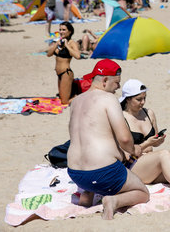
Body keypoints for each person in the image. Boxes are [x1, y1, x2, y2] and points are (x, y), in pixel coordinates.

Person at [67, 60, 149, 220]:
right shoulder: (108, 99)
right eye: (117, 82)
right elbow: (125, 138)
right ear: (105, 80)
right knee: (142, 193)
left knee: (94, 166)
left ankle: (87, 194)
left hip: (75, 173)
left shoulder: (76, 101)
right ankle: (113, 200)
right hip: (103, 173)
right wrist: (134, 150)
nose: (118, 87)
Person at [47, 22, 81, 104]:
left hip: (66, 73)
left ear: (69, 31)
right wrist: (56, 44)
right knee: (61, 98)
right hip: (59, 74)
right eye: (60, 30)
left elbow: (78, 56)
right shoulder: (58, 42)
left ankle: (81, 97)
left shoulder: (72, 43)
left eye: (64, 30)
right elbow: (48, 54)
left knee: (64, 102)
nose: (61, 32)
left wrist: (67, 45)